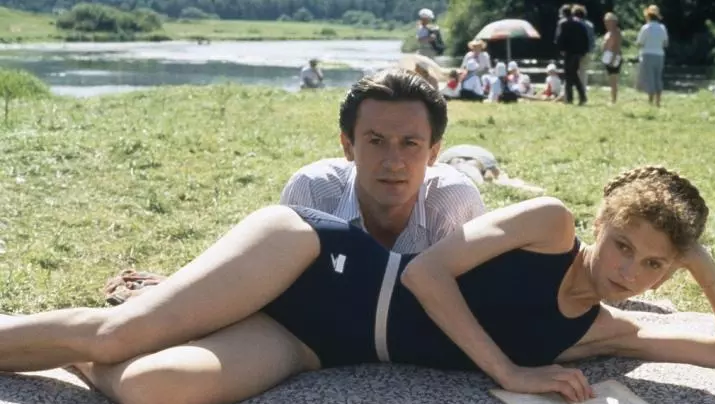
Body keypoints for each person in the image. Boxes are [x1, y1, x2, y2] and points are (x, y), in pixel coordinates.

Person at [3, 166, 715, 404]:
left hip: (310, 346)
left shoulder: (606, 331)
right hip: (312, 257)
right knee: (119, 336)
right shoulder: (547, 225)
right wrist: (510, 371)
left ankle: (92, 341)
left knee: (150, 390)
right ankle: (117, 324)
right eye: (623, 244)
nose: (628, 271)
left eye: (652, 265)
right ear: (600, 223)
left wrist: (702, 264)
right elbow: (425, 273)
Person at [103, 69, 486, 304]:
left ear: (434, 152)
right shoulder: (313, 191)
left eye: (410, 143)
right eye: (375, 141)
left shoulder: (454, 201)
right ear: (347, 145)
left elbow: (472, 302)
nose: (393, 161)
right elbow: (276, 288)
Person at [555, 4, 589, 105]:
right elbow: (585, 38)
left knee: (569, 75)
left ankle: (573, 98)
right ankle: (578, 97)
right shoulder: (579, 24)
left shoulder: (563, 24)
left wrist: (560, 49)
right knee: (573, 74)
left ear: (563, 13)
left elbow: (560, 38)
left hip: (569, 52)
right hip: (578, 52)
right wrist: (584, 51)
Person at [636, 4, 669, 107]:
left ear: (648, 16)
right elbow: (665, 43)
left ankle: (650, 101)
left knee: (650, 78)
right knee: (658, 77)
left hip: (647, 54)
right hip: (660, 55)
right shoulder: (662, 28)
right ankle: (658, 101)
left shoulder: (645, 28)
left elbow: (640, 43)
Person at [602, 12, 623, 104]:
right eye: (605, 21)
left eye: (608, 21)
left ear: (614, 22)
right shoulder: (608, 32)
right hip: (607, 56)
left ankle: (614, 100)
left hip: (614, 57)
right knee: (611, 80)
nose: (606, 23)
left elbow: (617, 46)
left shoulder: (616, 32)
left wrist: (613, 59)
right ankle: (612, 98)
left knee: (613, 80)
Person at [572, 4, 595, 90]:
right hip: (586, 51)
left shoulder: (572, 24)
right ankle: (582, 92)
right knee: (583, 72)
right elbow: (592, 40)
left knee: (571, 72)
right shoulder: (590, 25)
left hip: (574, 52)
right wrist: (591, 51)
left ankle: (568, 92)